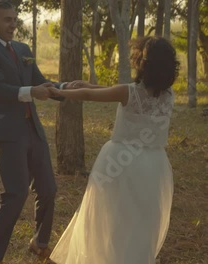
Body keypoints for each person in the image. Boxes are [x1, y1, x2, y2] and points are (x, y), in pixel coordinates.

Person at [47, 36, 179, 263]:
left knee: (111, 217)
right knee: (141, 221)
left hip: (121, 164)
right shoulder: (169, 97)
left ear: (143, 64)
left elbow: (94, 96)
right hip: (154, 165)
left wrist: (60, 92)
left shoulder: (128, 92)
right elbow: (108, 91)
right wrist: (89, 85)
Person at [0, 1, 70, 263]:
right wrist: (29, 93)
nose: (12, 24)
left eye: (14, 19)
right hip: (6, 130)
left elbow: (39, 81)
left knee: (48, 188)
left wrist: (67, 87)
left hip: (32, 129)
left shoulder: (23, 49)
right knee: (16, 193)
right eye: (6, 20)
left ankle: (40, 242)